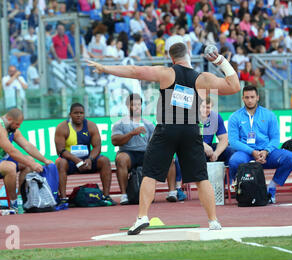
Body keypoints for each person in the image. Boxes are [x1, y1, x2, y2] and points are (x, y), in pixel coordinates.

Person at [87, 41, 240, 234]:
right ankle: (213, 221)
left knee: (150, 174)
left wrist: (105, 68)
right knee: (201, 178)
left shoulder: (167, 73)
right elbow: (234, 86)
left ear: (171, 58)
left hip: (167, 128)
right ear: (189, 54)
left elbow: (135, 71)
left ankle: (142, 216)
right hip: (191, 130)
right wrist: (220, 60)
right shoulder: (202, 78)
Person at [228, 85, 292, 204]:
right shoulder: (235, 117)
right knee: (234, 162)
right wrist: (252, 152)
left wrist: (266, 151)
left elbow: (275, 138)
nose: (250, 100)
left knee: (290, 158)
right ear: (242, 98)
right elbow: (233, 141)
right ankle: (242, 188)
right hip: (247, 154)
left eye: (252, 97)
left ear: (258, 97)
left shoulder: (269, 115)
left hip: (267, 154)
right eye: (247, 97)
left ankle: (271, 187)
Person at [111, 93, 177, 205]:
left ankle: (172, 192)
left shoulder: (149, 124)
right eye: (134, 105)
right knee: (121, 159)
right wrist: (132, 133)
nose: (137, 107)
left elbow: (156, 142)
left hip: (146, 153)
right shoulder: (119, 124)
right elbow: (115, 141)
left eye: (139, 104)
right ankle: (124, 195)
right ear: (128, 106)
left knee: (169, 158)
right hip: (128, 153)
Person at [54, 103, 116, 206]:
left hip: (87, 160)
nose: (79, 115)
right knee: (60, 163)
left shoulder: (91, 126)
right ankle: (64, 198)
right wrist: (76, 160)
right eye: (76, 113)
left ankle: (106, 196)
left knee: (104, 160)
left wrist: (90, 159)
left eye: (81, 113)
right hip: (71, 160)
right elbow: (60, 150)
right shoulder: (62, 127)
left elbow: (97, 147)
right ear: (70, 114)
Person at [0, 108, 53, 210]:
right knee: (11, 167)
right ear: (9, 119)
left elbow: (27, 146)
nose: (18, 127)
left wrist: (44, 160)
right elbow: (11, 151)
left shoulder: (12, 129)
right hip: (3, 163)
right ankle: (13, 202)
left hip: (2, 160)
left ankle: (21, 197)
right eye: (17, 124)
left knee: (29, 162)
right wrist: (31, 164)